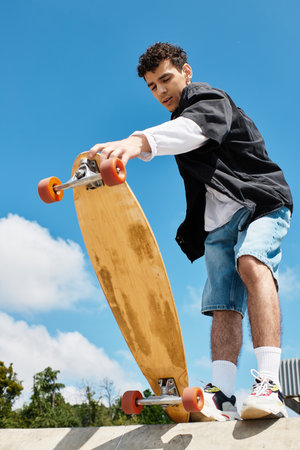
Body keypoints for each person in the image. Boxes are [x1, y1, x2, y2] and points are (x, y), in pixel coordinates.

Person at [89, 42, 293, 421]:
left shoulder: (209, 99)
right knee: (221, 301)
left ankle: (268, 384)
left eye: (166, 79)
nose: (161, 92)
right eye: (152, 86)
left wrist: (136, 142)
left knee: (251, 264)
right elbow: (182, 139)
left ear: (186, 72)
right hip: (219, 222)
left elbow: (193, 129)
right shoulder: (175, 123)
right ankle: (224, 395)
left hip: (262, 203)